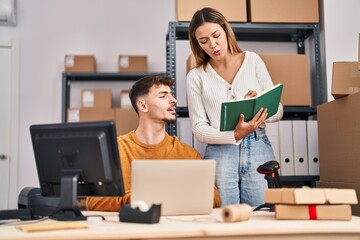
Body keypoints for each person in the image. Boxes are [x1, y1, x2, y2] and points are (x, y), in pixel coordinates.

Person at [186, 8, 283, 207]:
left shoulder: (253, 60)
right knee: (223, 219)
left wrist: (260, 112)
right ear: (197, 44)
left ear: (226, 31)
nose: (213, 45)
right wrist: (235, 135)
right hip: (220, 154)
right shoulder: (195, 76)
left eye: (216, 36)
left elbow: (278, 110)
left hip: (259, 149)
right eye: (203, 41)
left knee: (261, 219)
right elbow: (199, 128)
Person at [86, 75, 221, 211]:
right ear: (143, 106)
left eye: (171, 95)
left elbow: (214, 197)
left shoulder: (187, 153)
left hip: (174, 229)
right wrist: (138, 200)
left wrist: (161, 198)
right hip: (129, 228)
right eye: (163, 96)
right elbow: (93, 201)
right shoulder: (115, 150)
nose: (173, 100)